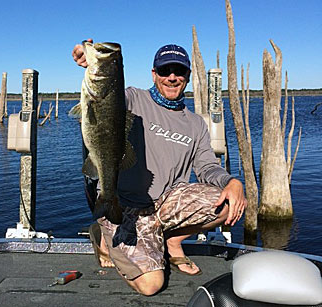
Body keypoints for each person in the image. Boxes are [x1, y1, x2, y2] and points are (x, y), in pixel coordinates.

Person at [72, 40, 247, 296]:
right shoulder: (132, 98)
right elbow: (107, 96)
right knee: (151, 285)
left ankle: (172, 241)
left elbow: (207, 166)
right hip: (126, 205)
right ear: (154, 74)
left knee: (229, 203)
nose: (172, 78)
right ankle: (104, 231)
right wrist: (89, 59)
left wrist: (232, 182)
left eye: (179, 71)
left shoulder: (196, 123)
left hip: (165, 203)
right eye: (165, 71)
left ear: (187, 75)